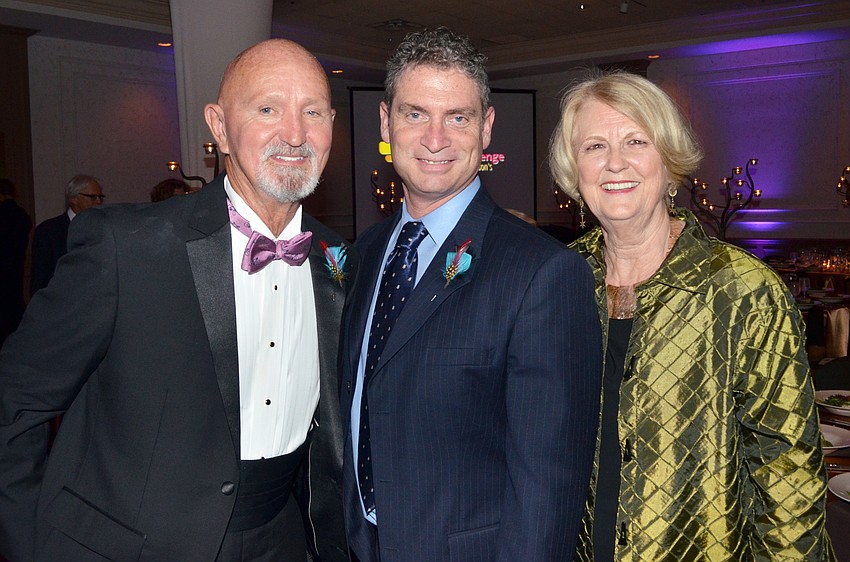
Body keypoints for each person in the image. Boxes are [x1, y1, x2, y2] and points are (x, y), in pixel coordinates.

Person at [0, 39, 356, 562]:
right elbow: (15, 403)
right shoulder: (126, 247)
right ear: (218, 127)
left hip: (282, 541)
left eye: (313, 112)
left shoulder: (341, 261)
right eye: (267, 109)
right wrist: (32, 544)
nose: (295, 133)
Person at [548, 71, 835, 561]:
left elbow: (787, 480)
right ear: (574, 171)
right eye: (594, 146)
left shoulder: (743, 291)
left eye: (636, 140)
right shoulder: (553, 282)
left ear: (670, 158)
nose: (615, 162)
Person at [340, 27, 602, 562]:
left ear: (485, 128)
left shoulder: (543, 273)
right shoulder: (363, 255)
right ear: (386, 122)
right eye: (415, 114)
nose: (435, 139)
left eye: (457, 118)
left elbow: (548, 488)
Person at [29, 174, 104, 296]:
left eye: (100, 197)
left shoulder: (103, 228)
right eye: (92, 197)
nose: (98, 202)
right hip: (60, 304)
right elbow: (39, 278)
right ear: (73, 199)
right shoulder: (49, 231)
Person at [0, 179, 32, 348]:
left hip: (3, 269)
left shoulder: (3, 214)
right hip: (17, 265)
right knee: (15, 302)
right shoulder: (21, 214)